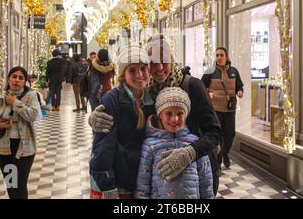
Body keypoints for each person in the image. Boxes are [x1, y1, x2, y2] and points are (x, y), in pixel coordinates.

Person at [89, 35, 222, 195]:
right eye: (153, 62)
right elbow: (134, 131)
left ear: (171, 60)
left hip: (195, 178)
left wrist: (189, 152)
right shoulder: (148, 90)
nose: (159, 67)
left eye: (164, 60)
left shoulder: (192, 86)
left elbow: (215, 133)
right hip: (158, 183)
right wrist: (96, 119)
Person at [89, 44, 155, 199]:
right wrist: (107, 186)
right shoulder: (112, 100)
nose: (139, 75)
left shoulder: (151, 99)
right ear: (123, 74)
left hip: (144, 180)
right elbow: (103, 148)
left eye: (143, 69)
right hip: (121, 183)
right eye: (132, 70)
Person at [135, 87, 214, 199]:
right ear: (160, 115)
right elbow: (143, 185)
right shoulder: (150, 145)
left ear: (186, 115)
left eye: (180, 113)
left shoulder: (195, 143)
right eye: (168, 113)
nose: (174, 119)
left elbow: (206, 182)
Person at [0, 66, 40, 199]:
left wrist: (15, 103)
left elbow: (33, 115)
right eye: (14, 76)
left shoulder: (31, 96)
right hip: (3, 148)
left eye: (21, 78)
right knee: (11, 183)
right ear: (8, 79)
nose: (17, 80)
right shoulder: (0, 99)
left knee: (19, 184)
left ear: (25, 81)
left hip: (24, 147)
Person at [201, 47, 244, 169]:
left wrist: (240, 92)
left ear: (226, 57)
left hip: (230, 109)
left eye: (221, 55)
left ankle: (225, 154)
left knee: (230, 134)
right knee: (218, 135)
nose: (219, 57)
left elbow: (239, 86)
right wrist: (208, 92)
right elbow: (201, 87)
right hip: (215, 110)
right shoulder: (209, 72)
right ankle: (218, 161)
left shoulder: (234, 71)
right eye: (217, 55)